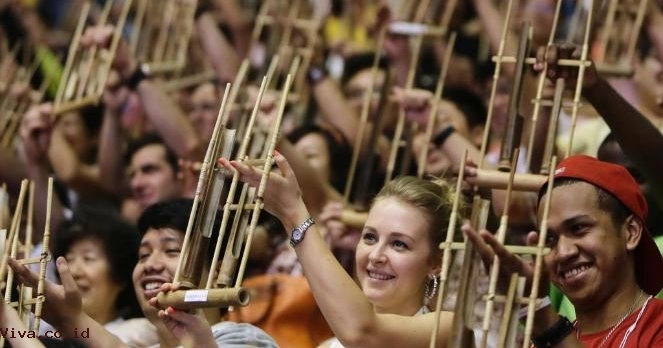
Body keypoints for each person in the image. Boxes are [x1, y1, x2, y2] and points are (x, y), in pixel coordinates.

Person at [219, 153, 457, 347]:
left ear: (435, 262)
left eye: (399, 244)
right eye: (370, 237)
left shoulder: (449, 330)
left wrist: (294, 214)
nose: (375, 256)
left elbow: (363, 334)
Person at [9, 198, 279, 348]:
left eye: (171, 251)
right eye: (143, 255)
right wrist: (71, 318)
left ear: (218, 271)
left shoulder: (242, 339)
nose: (151, 264)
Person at [464, 155, 663, 347]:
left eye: (578, 228)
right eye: (550, 240)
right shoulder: (543, 341)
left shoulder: (657, 328)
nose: (564, 252)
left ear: (630, 232)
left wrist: (540, 316)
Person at [50, 205, 142, 336]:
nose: (74, 272)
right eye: (69, 259)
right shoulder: (46, 330)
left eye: (88, 258)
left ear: (119, 274)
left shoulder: (135, 334)